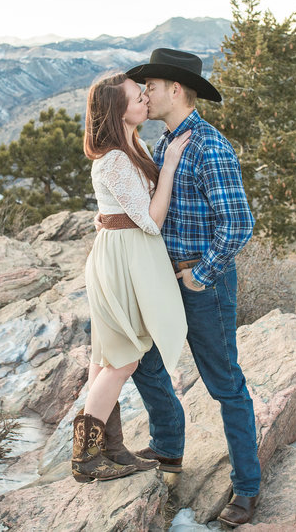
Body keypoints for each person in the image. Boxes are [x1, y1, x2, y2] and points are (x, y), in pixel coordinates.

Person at [125, 48, 260, 526]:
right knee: (140, 357)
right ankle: (167, 448)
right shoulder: (167, 142)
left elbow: (239, 225)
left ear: (175, 90)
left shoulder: (209, 146)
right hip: (167, 277)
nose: (146, 94)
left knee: (225, 385)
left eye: (153, 87)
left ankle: (247, 487)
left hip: (204, 284)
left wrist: (200, 276)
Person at [73, 71, 191, 483]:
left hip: (123, 254)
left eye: (143, 93)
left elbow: (118, 209)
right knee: (122, 361)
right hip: (123, 260)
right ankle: (86, 460)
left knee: (107, 358)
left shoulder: (130, 146)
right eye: (135, 96)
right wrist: (172, 163)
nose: (144, 99)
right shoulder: (117, 158)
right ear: (116, 110)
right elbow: (151, 220)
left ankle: (110, 447)